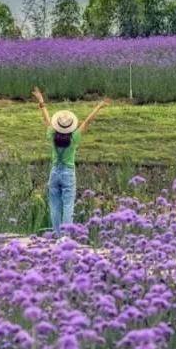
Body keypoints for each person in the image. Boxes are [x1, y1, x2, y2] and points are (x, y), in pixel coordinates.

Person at [31, 87, 110, 237]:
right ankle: (66, 237)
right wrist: (98, 107)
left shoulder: (52, 134)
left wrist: (41, 102)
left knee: (54, 206)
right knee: (68, 205)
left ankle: (56, 234)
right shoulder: (74, 138)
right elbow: (87, 122)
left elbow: (46, 120)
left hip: (54, 172)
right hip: (68, 173)